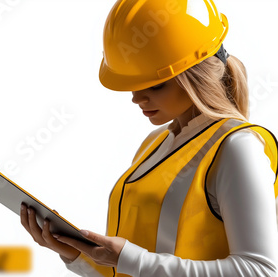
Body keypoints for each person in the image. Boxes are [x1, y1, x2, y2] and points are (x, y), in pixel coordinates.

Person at [19, 0, 278, 276]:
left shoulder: (237, 148)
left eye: (154, 85)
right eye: (133, 84)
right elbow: (133, 267)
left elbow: (259, 270)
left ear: (196, 75)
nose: (136, 98)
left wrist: (129, 259)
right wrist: (76, 253)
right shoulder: (155, 143)